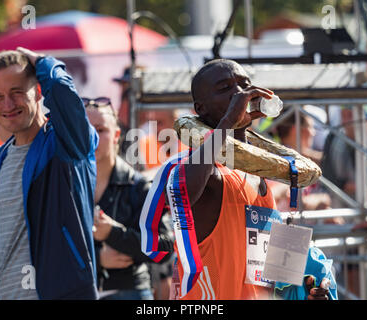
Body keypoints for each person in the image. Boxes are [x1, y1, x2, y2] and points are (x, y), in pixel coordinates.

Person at [142, 59, 334, 300]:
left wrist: (306, 292)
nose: (240, 94)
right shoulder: (203, 169)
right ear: (201, 109)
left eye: (245, 85)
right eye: (225, 88)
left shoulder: (260, 172)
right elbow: (184, 194)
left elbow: (273, 274)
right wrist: (228, 121)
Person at [0, 48, 99, 299]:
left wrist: (46, 64)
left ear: (38, 92)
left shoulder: (66, 146)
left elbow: (64, 97)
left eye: (16, 93)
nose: (8, 105)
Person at [84, 97, 174, 300]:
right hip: (79, 290)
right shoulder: (67, 186)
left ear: (116, 135)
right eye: (86, 129)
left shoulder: (139, 186)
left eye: (100, 130)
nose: (93, 137)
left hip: (130, 291)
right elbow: (50, 246)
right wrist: (97, 258)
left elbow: (165, 248)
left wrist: (113, 233)